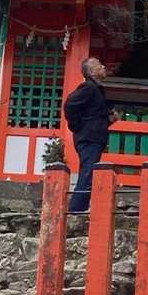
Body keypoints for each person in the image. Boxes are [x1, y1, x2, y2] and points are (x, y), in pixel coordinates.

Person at [63, 57, 115, 214]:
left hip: (93, 136)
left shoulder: (97, 90)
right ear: (91, 72)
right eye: (99, 65)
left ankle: (80, 207)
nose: (103, 67)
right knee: (88, 172)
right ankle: (76, 210)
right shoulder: (88, 87)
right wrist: (76, 126)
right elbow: (70, 104)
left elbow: (94, 116)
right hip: (88, 137)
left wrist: (109, 119)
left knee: (89, 172)